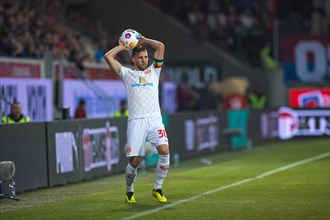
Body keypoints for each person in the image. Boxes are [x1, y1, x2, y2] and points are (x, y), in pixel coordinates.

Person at [104, 32, 170, 203]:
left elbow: (161, 46)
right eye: (140, 57)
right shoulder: (126, 74)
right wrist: (123, 47)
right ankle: (129, 190)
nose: (144, 60)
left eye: (146, 56)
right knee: (134, 161)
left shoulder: (154, 71)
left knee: (165, 152)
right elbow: (108, 57)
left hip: (155, 119)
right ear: (133, 59)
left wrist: (144, 40)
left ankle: (158, 188)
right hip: (136, 121)